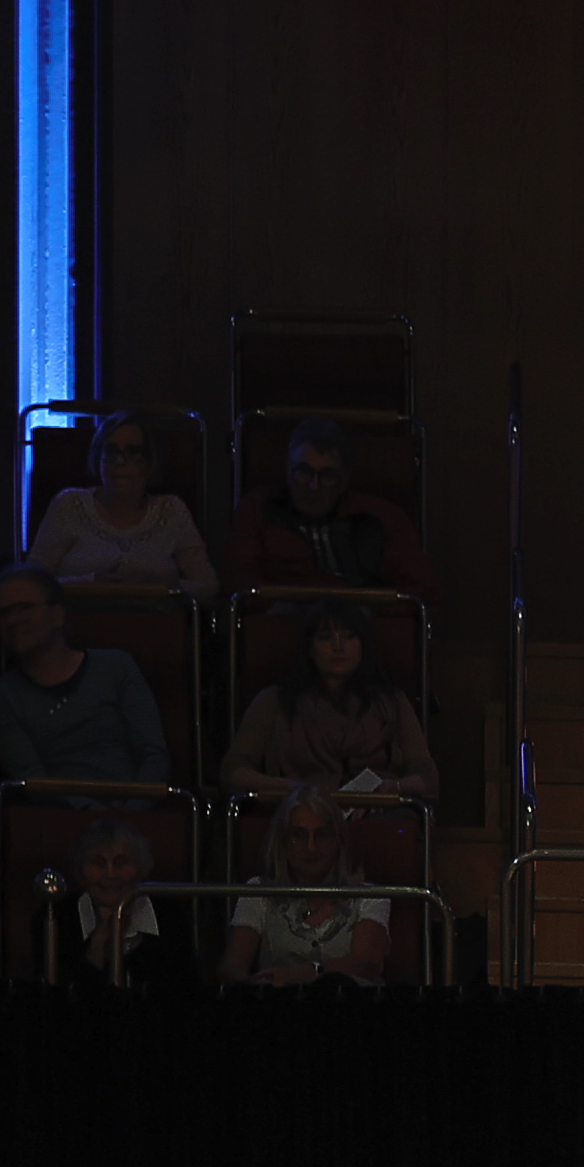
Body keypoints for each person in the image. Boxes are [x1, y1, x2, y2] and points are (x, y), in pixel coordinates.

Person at [225, 597, 435, 801]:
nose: (338, 646)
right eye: (325, 637)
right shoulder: (273, 701)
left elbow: (428, 777)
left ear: (363, 644)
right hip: (296, 813)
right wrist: (292, 790)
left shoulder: (392, 702)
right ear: (309, 647)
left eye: (348, 636)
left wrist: (392, 789)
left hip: (376, 811)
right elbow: (232, 772)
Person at [0, 564, 169, 785]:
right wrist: (85, 810)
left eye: (24, 608)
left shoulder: (116, 666)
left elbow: (154, 755)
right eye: (4, 613)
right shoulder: (0, 696)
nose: (13, 620)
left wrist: (133, 807)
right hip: (55, 815)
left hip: (133, 809)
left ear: (58, 615)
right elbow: (31, 777)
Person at [229, 420, 433, 595]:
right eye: (303, 472)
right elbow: (240, 583)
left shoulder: (382, 517)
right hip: (284, 620)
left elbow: (421, 589)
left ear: (344, 479)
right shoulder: (259, 508)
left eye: (326, 475)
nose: (313, 486)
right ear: (288, 471)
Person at [226, 785, 400, 987]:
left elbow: (366, 963)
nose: (311, 847)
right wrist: (254, 984)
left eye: (322, 835)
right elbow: (231, 968)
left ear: (338, 841)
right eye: (298, 835)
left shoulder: (371, 896)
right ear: (282, 841)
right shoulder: (258, 891)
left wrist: (305, 974)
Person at [30, 414, 219, 592]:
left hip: (155, 621)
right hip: (78, 619)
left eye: (133, 452)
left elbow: (208, 586)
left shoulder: (171, 510)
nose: (120, 461)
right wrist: (91, 582)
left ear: (149, 461)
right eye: (111, 452)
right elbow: (31, 582)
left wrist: (162, 586)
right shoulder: (69, 504)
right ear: (98, 458)